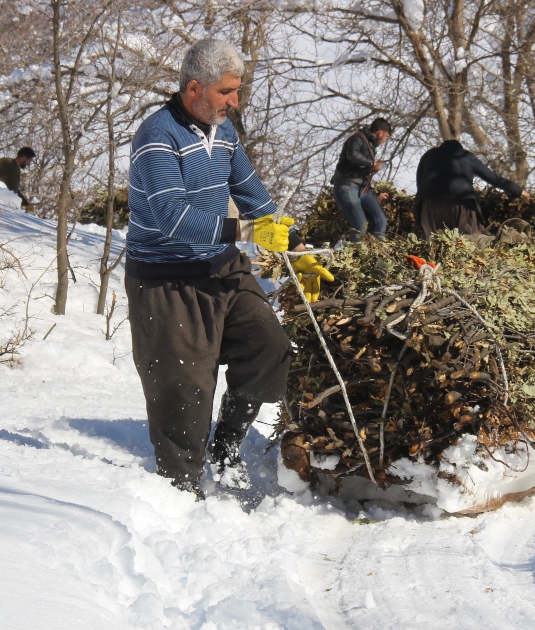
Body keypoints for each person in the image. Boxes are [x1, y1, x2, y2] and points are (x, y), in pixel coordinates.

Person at [125, 38, 333, 497]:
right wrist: (247, 234)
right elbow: (172, 218)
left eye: (237, 90)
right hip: (165, 279)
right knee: (184, 392)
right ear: (194, 88)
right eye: (226, 92)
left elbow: (253, 195)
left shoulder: (224, 133)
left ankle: (225, 448)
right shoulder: (157, 136)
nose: (235, 101)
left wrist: (298, 246)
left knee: (268, 346)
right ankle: (181, 493)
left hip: (220, 266)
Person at [414, 139, 531, 239]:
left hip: (430, 204)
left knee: (434, 242)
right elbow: (493, 178)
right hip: (461, 204)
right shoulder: (466, 156)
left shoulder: (429, 155)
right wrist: (518, 191)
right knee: (470, 240)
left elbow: (420, 183)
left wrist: (421, 206)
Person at [330, 118, 392, 241]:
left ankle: (375, 252)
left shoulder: (370, 145)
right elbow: (352, 156)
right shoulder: (357, 138)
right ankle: (355, 255)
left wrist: (372, 169)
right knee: (360, 225)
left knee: (380, 220)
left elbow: (360, 165)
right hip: (347, 186)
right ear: (380, 133)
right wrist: (371, 163)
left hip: (362, 189)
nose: (384, 141)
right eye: (386, 137)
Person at [0, 147, 36, 212]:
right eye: (29, 160)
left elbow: (15, 190)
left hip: (8, 206)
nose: (29, 164)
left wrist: (27, 204)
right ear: (24, 158)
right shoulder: (6, 162)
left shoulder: (17, 170)